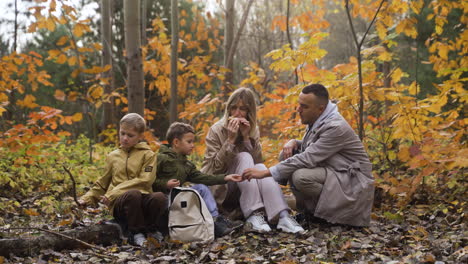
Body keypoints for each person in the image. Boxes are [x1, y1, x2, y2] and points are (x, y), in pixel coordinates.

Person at [243, 84, 374, 227]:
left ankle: (333, 214)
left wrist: (264, 173)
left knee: (301, 176)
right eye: (299, 104)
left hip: (353, 183)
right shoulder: (321, 118)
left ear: (320, 109)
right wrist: (295, 142)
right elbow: (317, 147)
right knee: (286, 155)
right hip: (336, 173)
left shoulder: (336, 127)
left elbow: (308, 158)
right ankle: (309, 213)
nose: (298, 110)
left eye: (304, 107)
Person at [201, 87, 304, 233]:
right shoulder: (216, 130)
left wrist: (246, 138)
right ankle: (254, 215)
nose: (237, 113)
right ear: (228, 109)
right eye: (234, 108)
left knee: (261, 167)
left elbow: (257, 163)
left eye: (242, 109)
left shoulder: (251, 129)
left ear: (249, 112)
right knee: (244, 156)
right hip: (220, 188)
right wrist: (230, 140)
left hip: (243, 188)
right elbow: (215, 169)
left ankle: (283, 216)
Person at [78, 113, 167, 247]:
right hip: (120, 204)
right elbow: (102, 184)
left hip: (141, 201)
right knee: (132, 194)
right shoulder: (113, 156)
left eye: (130, 135)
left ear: (141, 136)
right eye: (122, 133)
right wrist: (86, 199)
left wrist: (113, 192)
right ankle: (136, 233)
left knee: (159, 197)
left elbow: (145, 180)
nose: (125, 138)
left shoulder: (148, 155)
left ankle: (151, 230)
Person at [152, 122, 244, 238]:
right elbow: (150, 180)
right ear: (176, 142)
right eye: (189, 142)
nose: (192, 145)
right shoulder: (161, 158)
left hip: (180, 198)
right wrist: (165, 184)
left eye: (193, 142)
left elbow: (203, 178)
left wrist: (225, 177)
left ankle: (215, 221)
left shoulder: (187, 164)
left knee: (201, 188)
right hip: (164, 199)